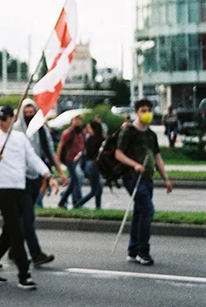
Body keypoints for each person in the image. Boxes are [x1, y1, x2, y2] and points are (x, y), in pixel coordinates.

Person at [0, 105, 54, 290]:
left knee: (9, 231)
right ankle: (23, 274)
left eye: (4, 118)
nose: (1, 122)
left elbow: (33, 159)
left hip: (20, 187)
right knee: (17, 231)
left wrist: (48, 176)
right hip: (3, 189)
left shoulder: (20, 138)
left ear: (12, 118)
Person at [114, 99, 173, 266]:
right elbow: (118, 154)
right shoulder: (129, 131)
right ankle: (143, 250)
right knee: (147, 209)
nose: (146, 113)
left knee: (140, 212)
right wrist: (135, 165)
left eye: (149, 110)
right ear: (136, 112)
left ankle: (133, 250)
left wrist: (165, 177)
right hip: (132, 176)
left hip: (147, 178)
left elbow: (157, 156)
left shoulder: (151, 134)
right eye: (143, 110)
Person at [13, 100, 57, 266]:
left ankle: (12, 249)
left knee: (19, 218)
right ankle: (36, 253)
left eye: (32, 112)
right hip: (19, 178)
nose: (30, 115)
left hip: (35, 176)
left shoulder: (40, 129)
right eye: (27, 112)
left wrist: (52, 174)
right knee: (27, 218)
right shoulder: (16, 130)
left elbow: (45, 152)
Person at [56, 114, 86, 209]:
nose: (77, 122)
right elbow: (61, 146)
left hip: (79, 159)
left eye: (79, 120)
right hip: (70, 159)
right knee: (76, 180)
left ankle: (63, 199)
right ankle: (78, 202)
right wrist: (58, 159)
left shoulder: (81, 133)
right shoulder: (68, 133)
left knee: (74, 181)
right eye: (75, 120)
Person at [74, 120, 104, 209]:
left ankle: (98, 207)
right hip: (92, 165)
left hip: (90, 165)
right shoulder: (95, 140)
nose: (88, 130)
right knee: (94, 190)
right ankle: (77, 205)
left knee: (99, 189)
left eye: (90, 128)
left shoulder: (90, 139)